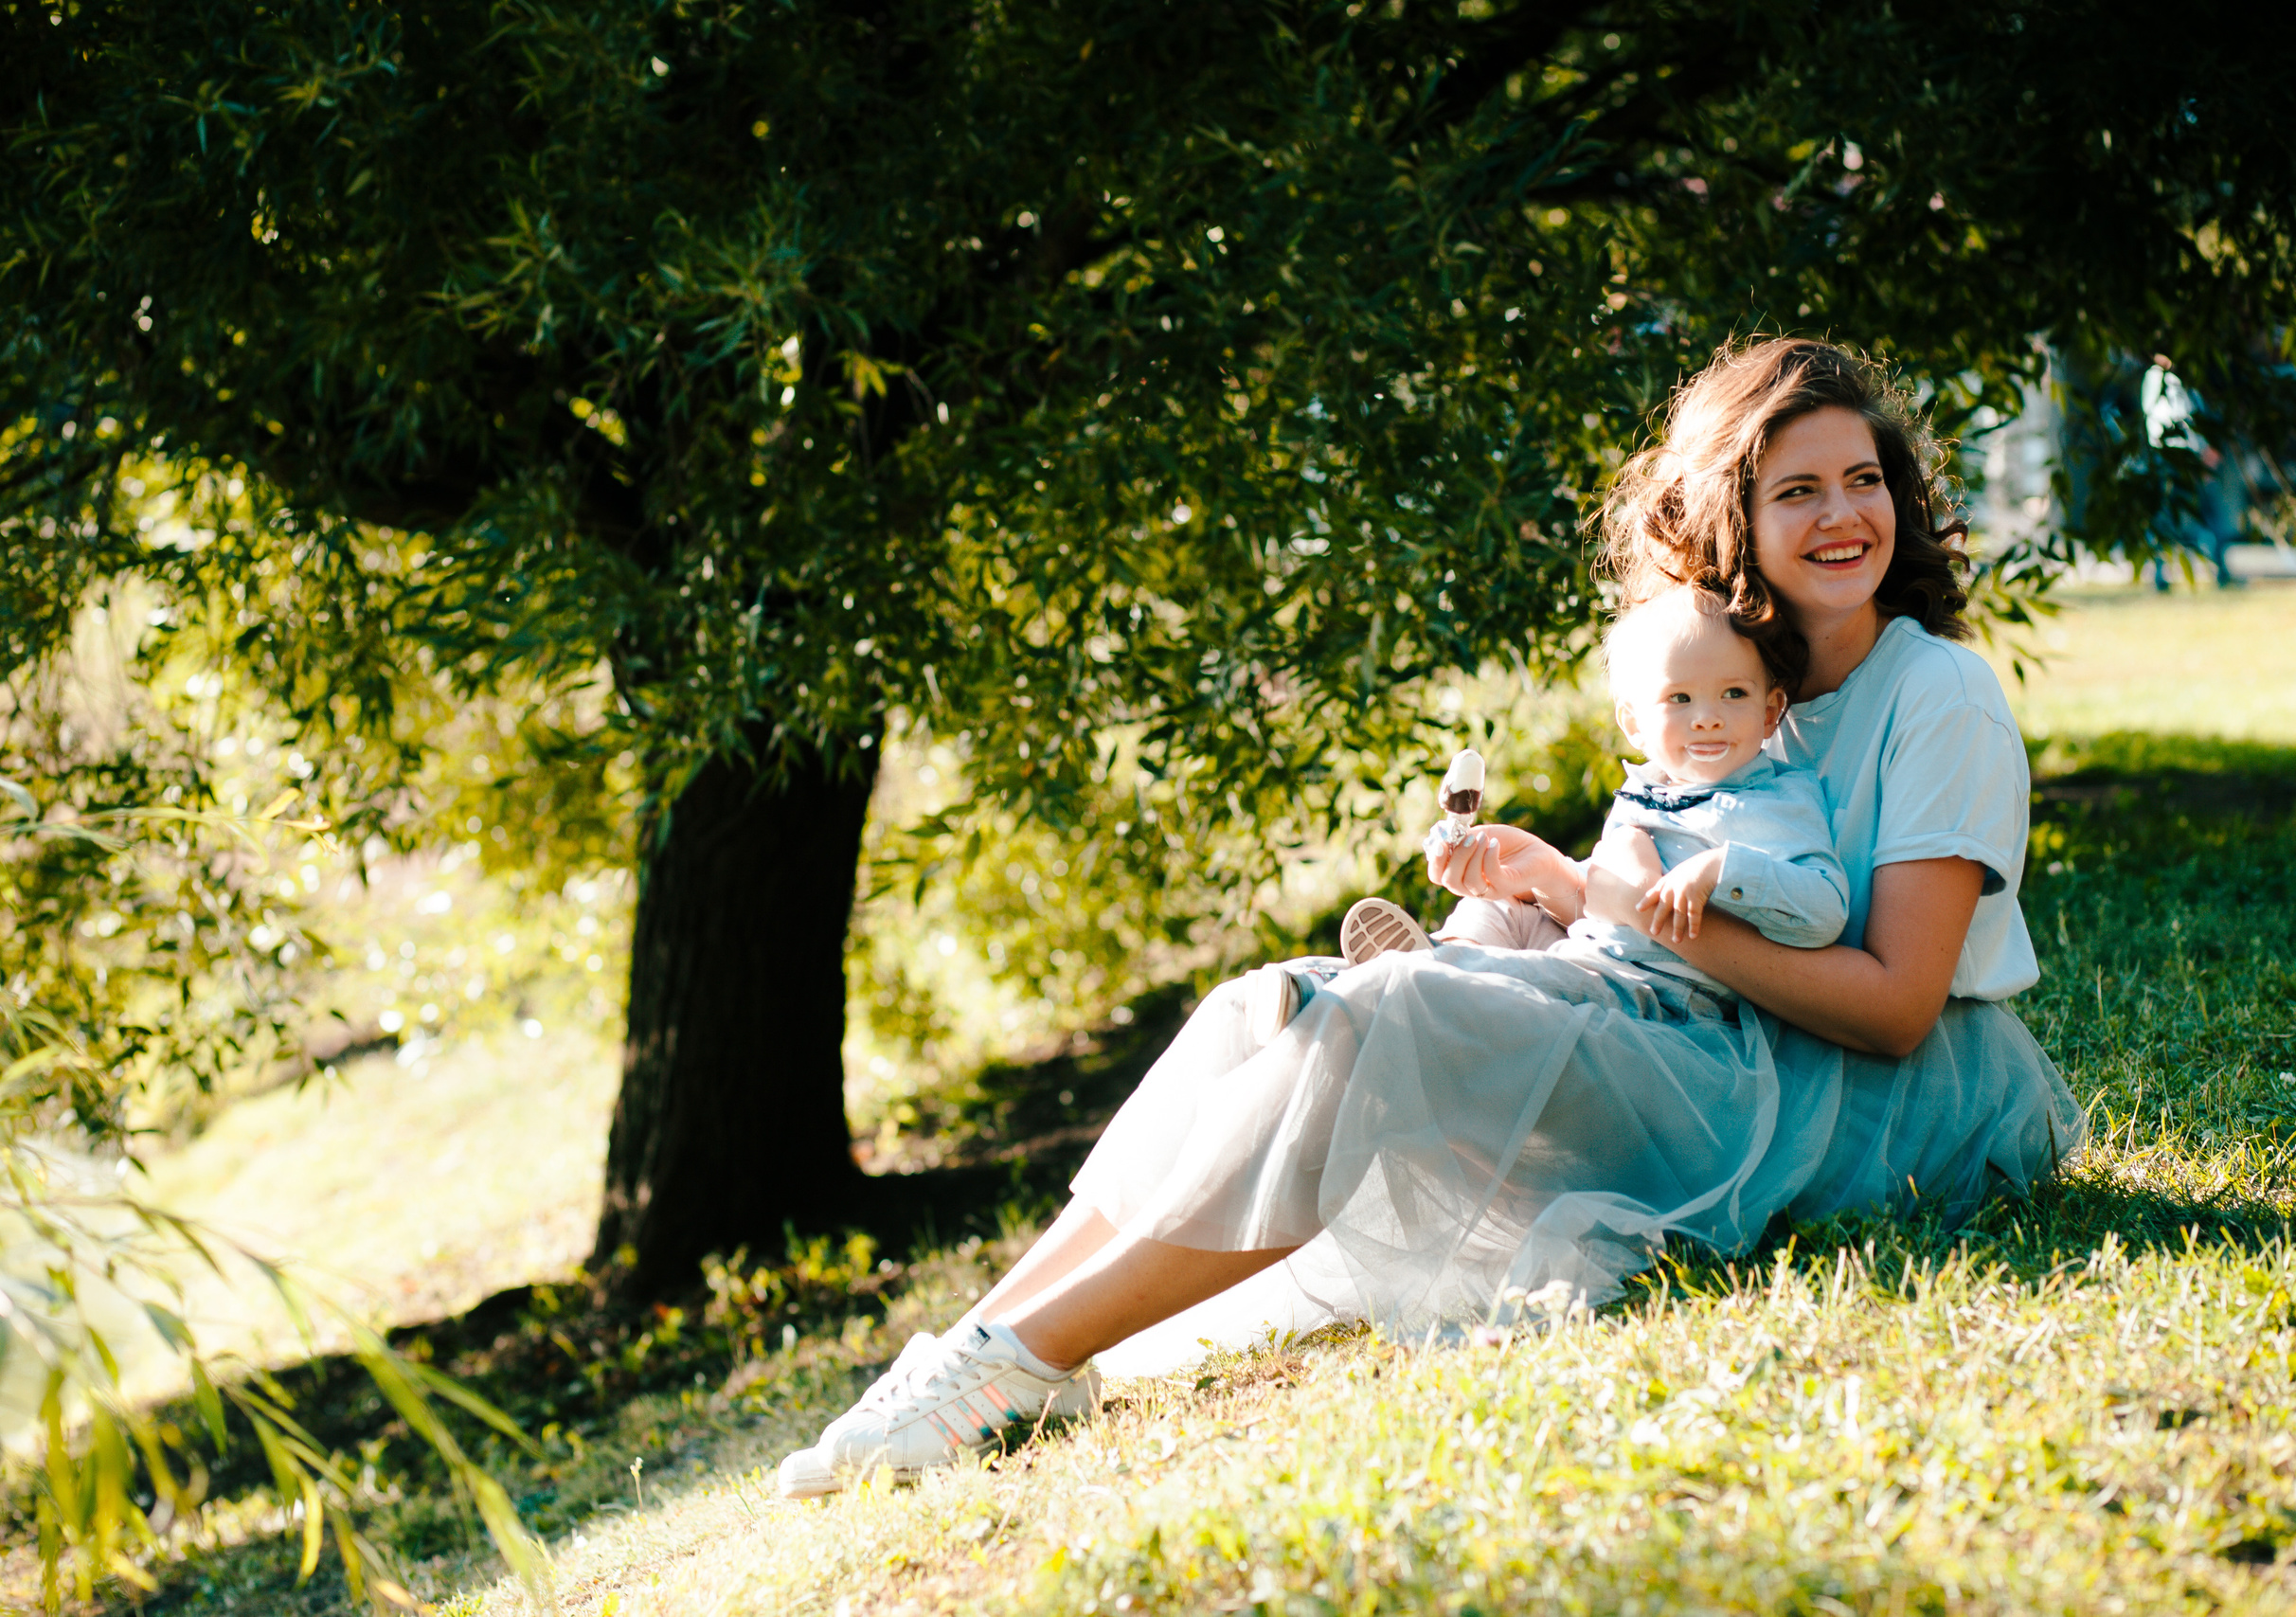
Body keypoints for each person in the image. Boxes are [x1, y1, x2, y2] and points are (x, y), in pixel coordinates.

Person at [774, 336, 2085, 1500]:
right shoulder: (1736, 679)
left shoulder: (1938, 697)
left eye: (1864, 480)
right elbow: (1661, 897)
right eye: (1796, 488)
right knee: (1265, 1004)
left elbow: (1899, 1007)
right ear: (1730, 515)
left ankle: (1021, 1360)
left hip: (1855, 1097)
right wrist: (1545, 890)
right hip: (1693, 1023)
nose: (1843, 513)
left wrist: (1606, 898)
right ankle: (982, 1353)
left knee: (1387, 1015)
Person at [1313, 584, 1849, 1007]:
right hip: (1590, 949)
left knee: (1528, 982)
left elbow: (1826, 912)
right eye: (1679, 698)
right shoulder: (1643, 795)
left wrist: (1722, 870)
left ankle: (1417, 988)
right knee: (1503, 911)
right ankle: (1435, 960)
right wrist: (1541, 876)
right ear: (1634, 726)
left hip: (1650, 993)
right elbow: (1596, 906)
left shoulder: (1778, 800)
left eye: (1734, 693)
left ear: (1771, 709)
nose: (1707, 716)